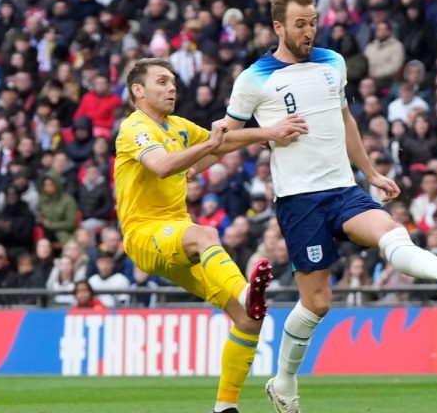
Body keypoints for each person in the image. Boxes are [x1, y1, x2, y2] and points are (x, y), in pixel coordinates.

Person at [186, 0, 437, 412]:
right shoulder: (254, 79)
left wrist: (370, 173)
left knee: (390, 230)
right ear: (279, 27)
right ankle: (284, 382)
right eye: (300, 24)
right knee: (317, 303)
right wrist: (189, 169)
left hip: (342, 188)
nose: (309, 30)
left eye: (313, 21)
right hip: (299, 201)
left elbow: (345, 118)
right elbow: (224, 138)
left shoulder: (333, 63)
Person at [114, 57, 307, 413]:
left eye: (173, 81)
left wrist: (269, 132)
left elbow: (223, 140)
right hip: (144, 233)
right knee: (206, 234)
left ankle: (225, 406)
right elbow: (161, 166)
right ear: (138, 91)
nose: (171, 87)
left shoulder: (178, 127)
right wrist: (204, 150)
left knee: (249, 319)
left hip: (174, 235)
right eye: (161, 82)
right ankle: (245, 289)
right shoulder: (135, 128)